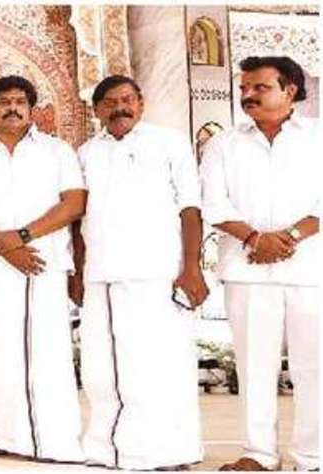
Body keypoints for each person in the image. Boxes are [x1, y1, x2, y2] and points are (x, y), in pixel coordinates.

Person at [69, 75, 208, 471]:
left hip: (157, 271)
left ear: (141, 103)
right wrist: (77, 271)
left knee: (159, 363)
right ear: (96, 110)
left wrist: (192, 267)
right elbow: (78, 218)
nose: (120, 108)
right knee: (101, 367)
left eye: (127, 99)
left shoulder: (169, 143)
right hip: (100, 274)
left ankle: (169, 451)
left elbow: (190, 208)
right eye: (110, 102)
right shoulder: (86, 153)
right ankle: (106, 448)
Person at [0, 76, 86, 462]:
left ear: (31, 109)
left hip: (44, 263)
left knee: (48, 351)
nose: (12, 108)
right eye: (4, 102)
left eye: (20, 101)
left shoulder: (57, 151)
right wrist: (3, 247)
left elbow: (74, 203)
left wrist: (22, 237)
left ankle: (53, 439)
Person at [201, 56, 319, 472]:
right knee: (254, 366)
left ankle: (313, 456)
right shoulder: (223, 143)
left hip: (311, 269)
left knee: (315, 366)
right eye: (244, 88)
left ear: (290, 91)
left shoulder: (318, 137)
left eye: (260, 87)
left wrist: (290, 237)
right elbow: (213, 203)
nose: (248, 95)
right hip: (246, 267)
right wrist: (255, 238)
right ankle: (258, 454)